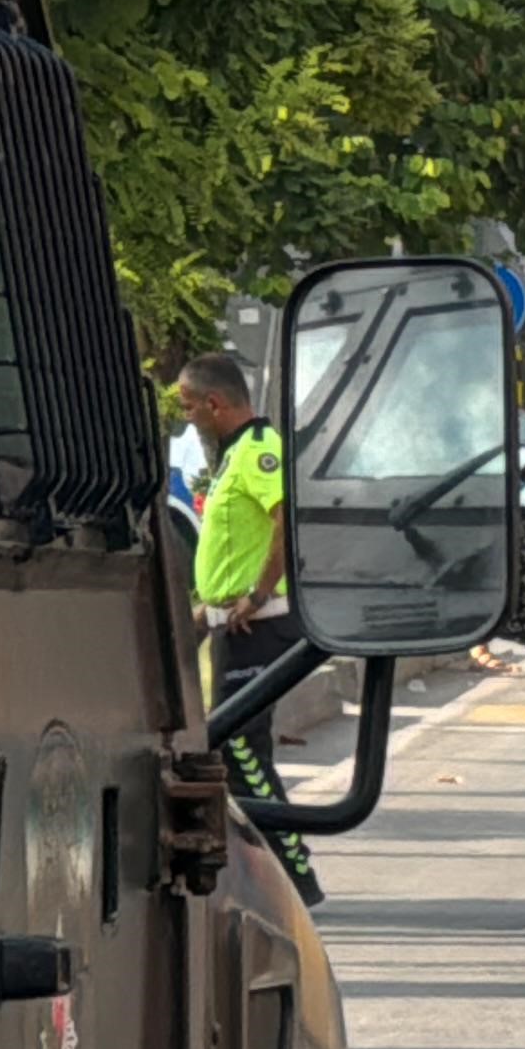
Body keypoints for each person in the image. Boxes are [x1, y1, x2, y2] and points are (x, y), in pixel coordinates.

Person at [177, 351, 324, 907]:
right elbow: (235, 545)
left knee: (237, 747)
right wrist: (205, 610)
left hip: (259, 626)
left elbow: (289, 519)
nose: (189, 418)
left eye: (191, 408)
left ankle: (294, 878)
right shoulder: (233, 455)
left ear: (215, 404)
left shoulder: (260, 450)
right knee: (238, 750)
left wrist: (258, 593)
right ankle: (274, 876)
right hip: (232, 626)